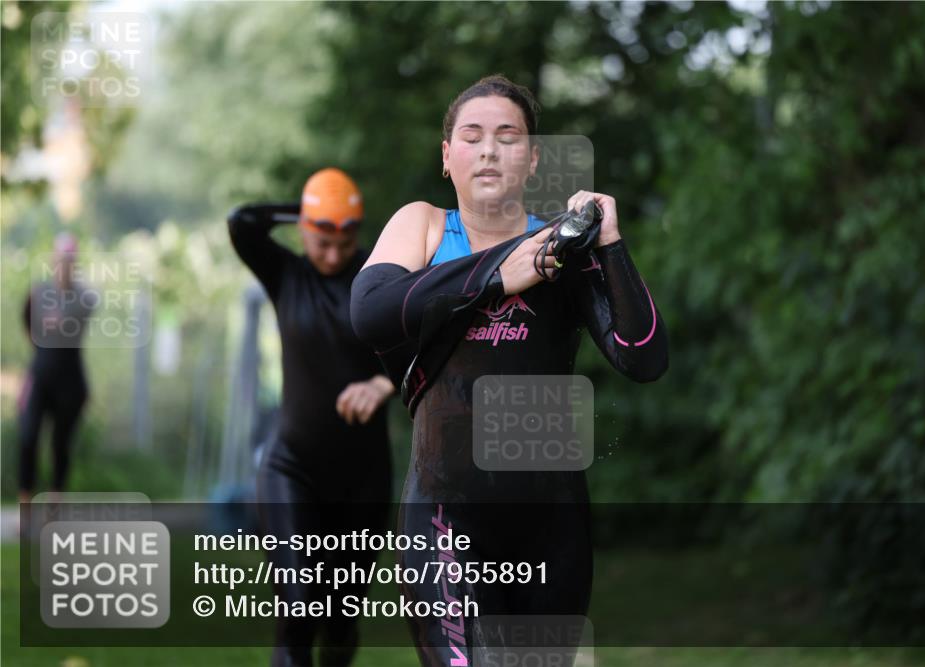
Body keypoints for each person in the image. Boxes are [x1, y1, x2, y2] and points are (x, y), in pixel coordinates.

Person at [350, 75, 669, 666]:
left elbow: (643, 354)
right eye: (471, 136)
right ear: (447, 157)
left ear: (533, 158)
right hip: (446, 516)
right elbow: (370, 312)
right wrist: (502, 271)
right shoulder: (423, 226)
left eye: (508, 136)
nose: (490, 149)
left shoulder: (562, 249)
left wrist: (610, 244)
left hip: (552, 523)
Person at [228, 168, 395, 667]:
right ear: (304, 230)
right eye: (322, 239)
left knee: (340, 623)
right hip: (291, 468)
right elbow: (241, 222)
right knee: (298, 606)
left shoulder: (379, 278)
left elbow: (421, 353)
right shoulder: (285, 274)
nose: (333, 253)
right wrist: (305, 207)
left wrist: (382, 383)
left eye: (345, 240)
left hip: (362, 482)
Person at [19, 232, 95, 504]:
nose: (63, 265)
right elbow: (30, 320)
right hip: (41, 374)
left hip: (70, 381)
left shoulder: (83, 297)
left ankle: (54, 506)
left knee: (60, 445)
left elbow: (70, 316)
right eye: (60, 259)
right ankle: (25, 508)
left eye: (69, 260)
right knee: (28, 437)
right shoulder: (39, 292)